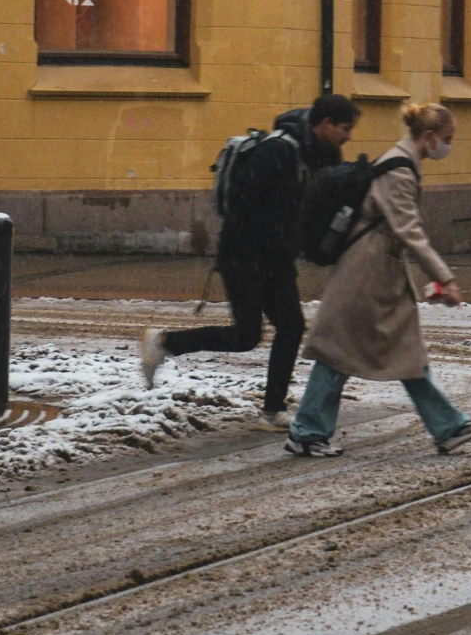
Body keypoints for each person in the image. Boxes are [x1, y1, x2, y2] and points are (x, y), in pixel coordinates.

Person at [284, 100, 471, 460]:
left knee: (388, 350)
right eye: (447, 138)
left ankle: (447, 426)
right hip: (369, 271)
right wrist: (445, 278)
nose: (449, 146)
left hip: (376, 268)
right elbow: (408, 229)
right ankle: (308, 431)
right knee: (340, 350)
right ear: (428, 136)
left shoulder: (403, 161)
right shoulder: (400, 170)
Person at [139, 93, 359, 424]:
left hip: (277, 256)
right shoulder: (276, 151)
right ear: (325, 124)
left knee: (291, 326)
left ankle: (272, 410)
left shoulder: (323, 155)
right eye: (345, 128)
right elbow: (243, 203)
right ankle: (163, 342)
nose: (349, 135)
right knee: (246, 335)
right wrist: (277, 229)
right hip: (243, 255)